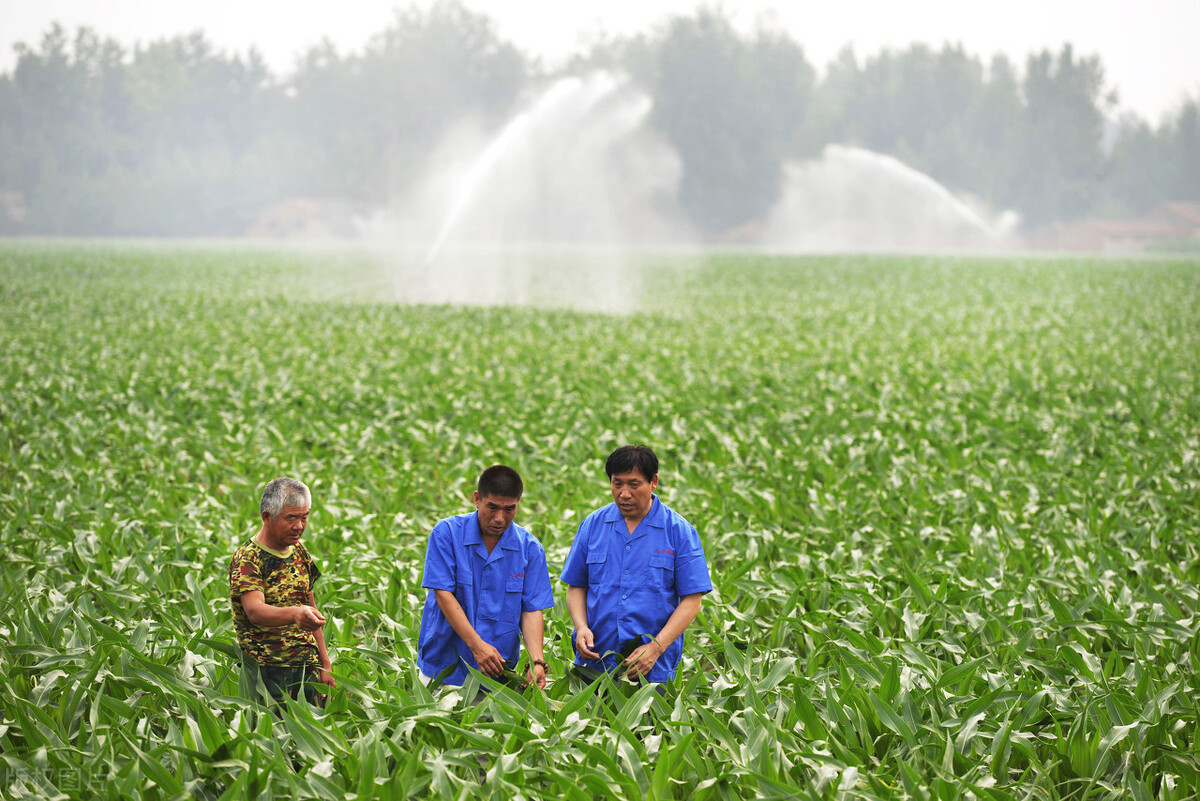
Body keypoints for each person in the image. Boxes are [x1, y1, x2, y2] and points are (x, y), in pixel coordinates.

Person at [562, 445, 712, 683]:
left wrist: (655, 648)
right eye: (617, 483)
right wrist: (581, 627)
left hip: (652, 670)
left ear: (653, 482)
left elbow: (692, 601)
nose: (624, 493)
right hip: (594, 662)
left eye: (633, 484)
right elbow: (576, 586)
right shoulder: (593, 525)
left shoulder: (678, 531)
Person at [417, 465, 554, 689]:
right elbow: (442, 594)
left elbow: (531, 609)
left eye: (509, 509)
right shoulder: (447, 534)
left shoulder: (530, 549)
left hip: (497, 675)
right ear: (477, 499)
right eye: (492, 507)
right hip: (443, 670)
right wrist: (477, 646)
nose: (500, 518)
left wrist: (536, 661)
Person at [229, 477, 336, 706]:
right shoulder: (249, 557)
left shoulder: (298, 551)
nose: (299, 526)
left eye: (304, 517)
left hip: (307, 668)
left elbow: (310, 607)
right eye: (291, 518)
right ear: (267, 517)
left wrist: (325, 664)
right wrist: (295, 614)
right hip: (268, 675)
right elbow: (255, 611)